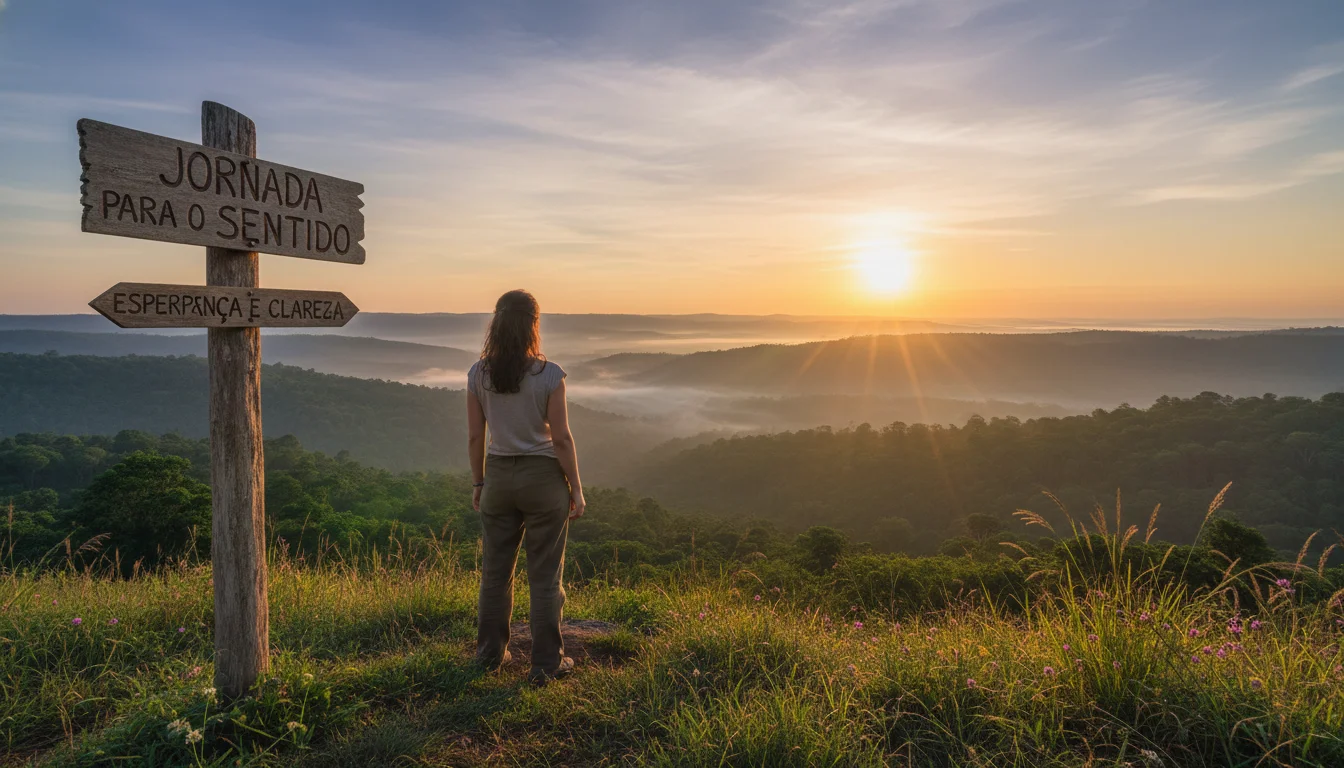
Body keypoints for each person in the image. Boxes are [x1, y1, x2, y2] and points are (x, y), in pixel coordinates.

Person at [467, 289, 586, 684]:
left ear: (496, 323)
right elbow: (562, 439)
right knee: (545, 576)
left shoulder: (478, 373)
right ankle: (546, 664)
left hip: (499, 476)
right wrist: (577, 488)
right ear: (534, 324)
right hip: (542, 480)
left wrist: (479, 481)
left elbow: (474, 437)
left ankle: (488, 656)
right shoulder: (549, 375)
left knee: (495, 573)